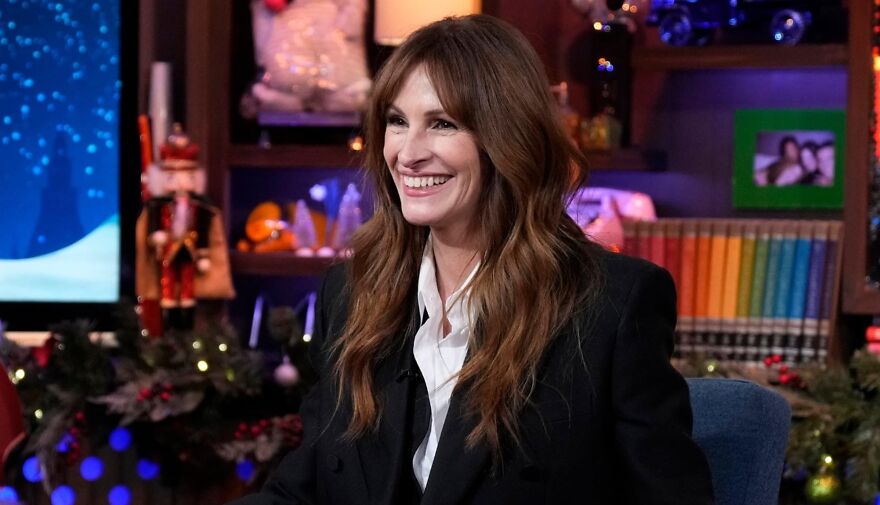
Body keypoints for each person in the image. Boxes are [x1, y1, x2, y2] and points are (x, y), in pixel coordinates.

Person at [229, 14, 713, 505]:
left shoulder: (612, 304)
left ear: (507, 138)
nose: (408, 154)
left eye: (442, 124)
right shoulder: (352, 293)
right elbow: (301, 487)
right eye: (397, 122)